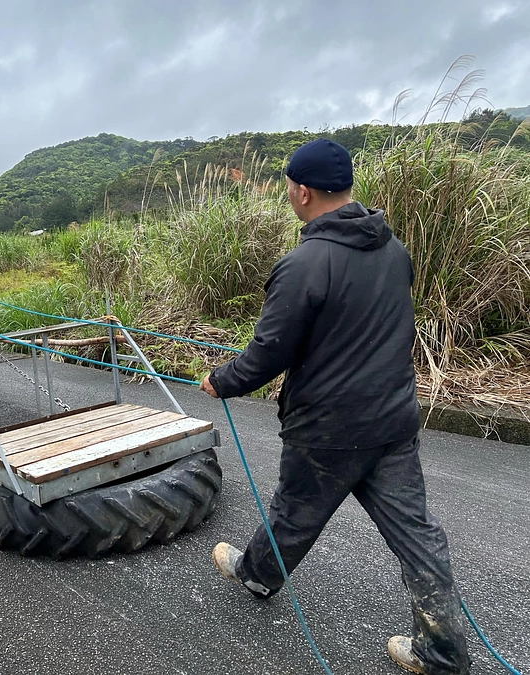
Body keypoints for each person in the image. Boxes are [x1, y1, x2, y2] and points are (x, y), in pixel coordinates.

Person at [199, 138, 471, 675]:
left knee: (294, 513)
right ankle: (442, 653)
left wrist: (221, 380)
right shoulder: (394, 251)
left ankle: (256, 574)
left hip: (326, 431)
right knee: (417, 536)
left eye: (288, 188)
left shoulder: (303, 264)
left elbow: (269, 352)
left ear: (301, 191)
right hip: (393, 421)